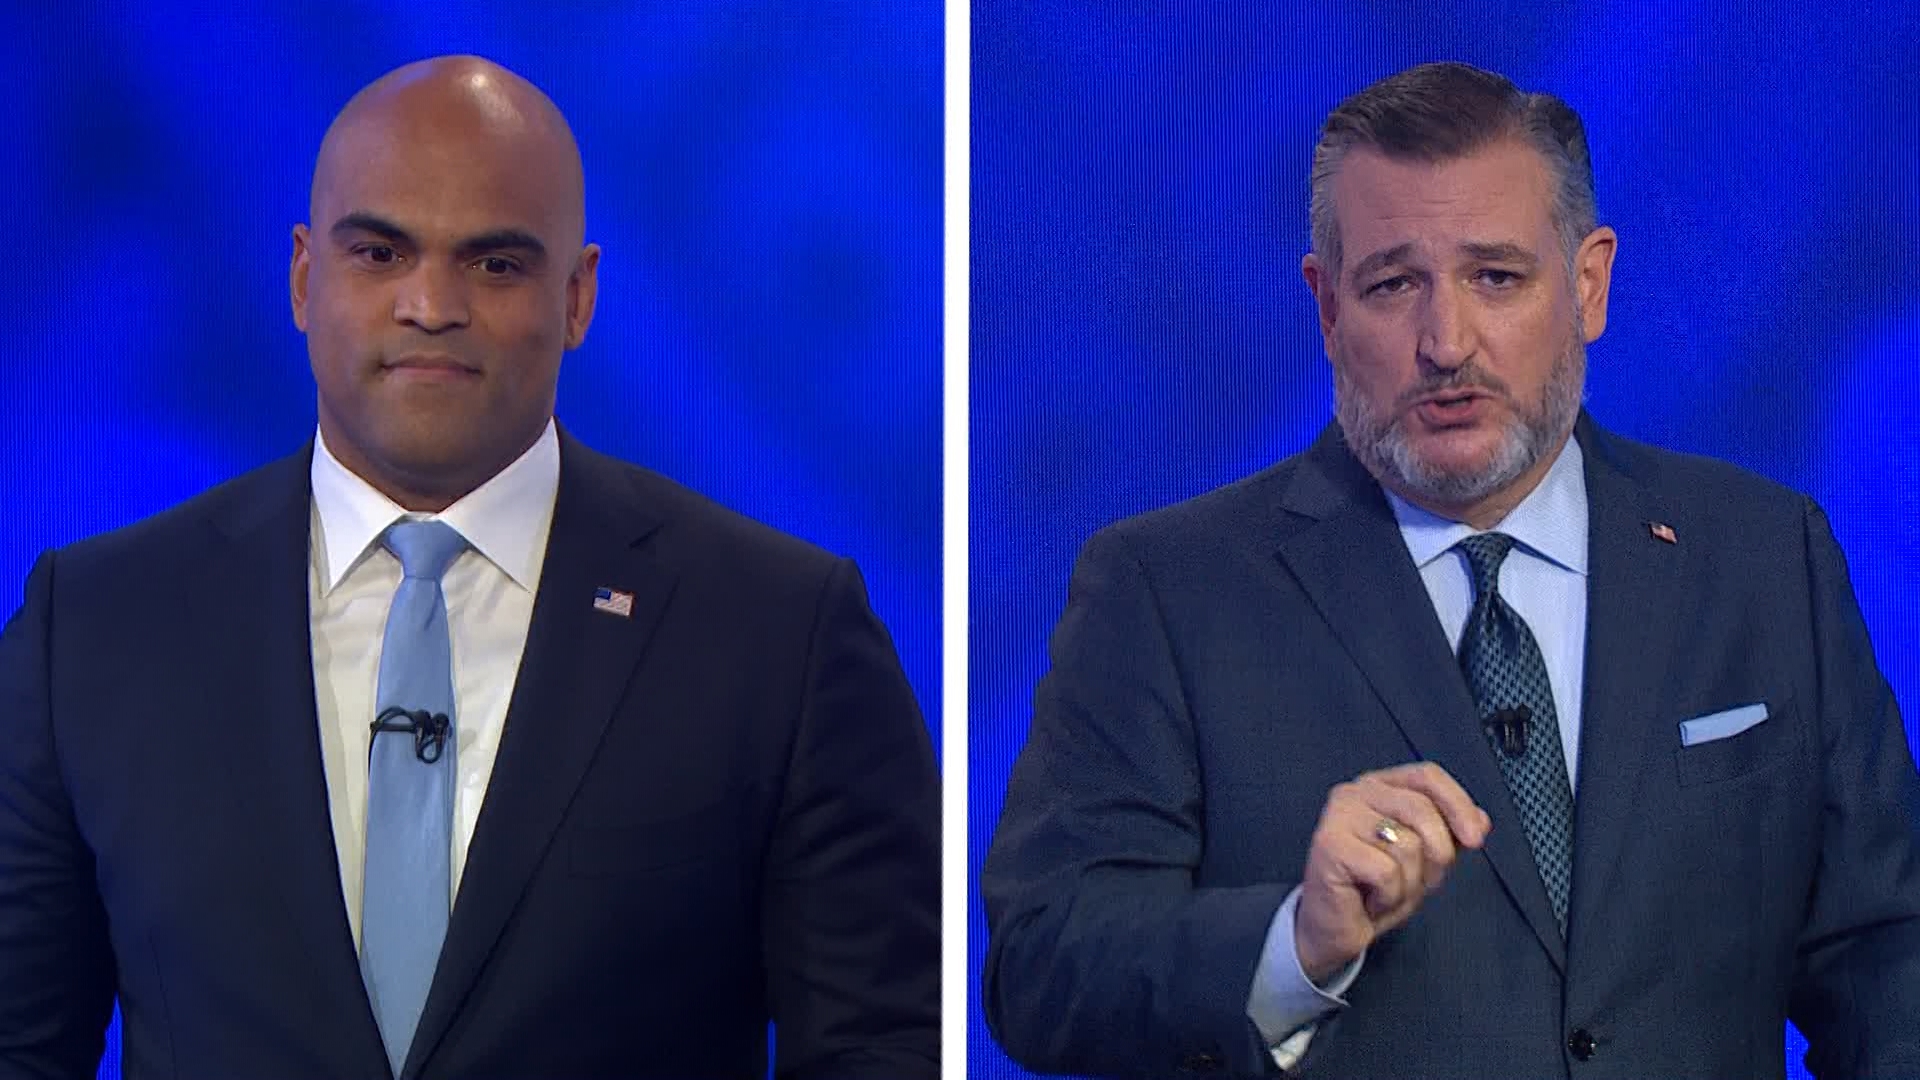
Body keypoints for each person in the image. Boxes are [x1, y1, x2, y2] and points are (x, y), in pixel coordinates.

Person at [0, 55, 939, 1080]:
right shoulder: (91, 626)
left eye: (494, 264)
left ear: (578, 297)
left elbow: (876, 1048)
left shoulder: (781, 632)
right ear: (305, 277)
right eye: (381, 253)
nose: (432, 304)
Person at [980, 61, 1920, 1079]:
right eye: (1393, 285)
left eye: (1496, 278)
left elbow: (1887, 958)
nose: (1446, 342)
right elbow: (1043, 969)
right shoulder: (1165, 590)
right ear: (1327, 307)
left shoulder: (1764, 554)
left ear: (1589, 284)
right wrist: (1295, 944)